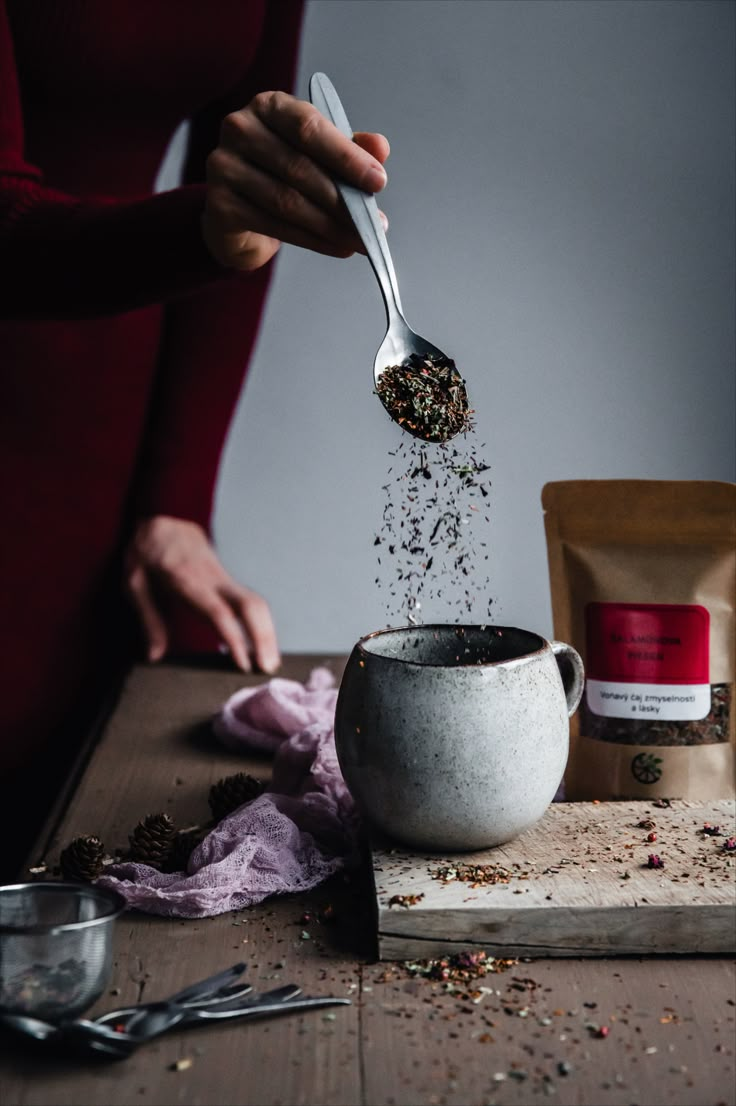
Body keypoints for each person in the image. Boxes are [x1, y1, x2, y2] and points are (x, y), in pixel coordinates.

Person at [0, 0, 390, 879]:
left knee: (59, 817)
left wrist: (175, 499)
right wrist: (203, 229)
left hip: (106, 424)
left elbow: (254, 207)